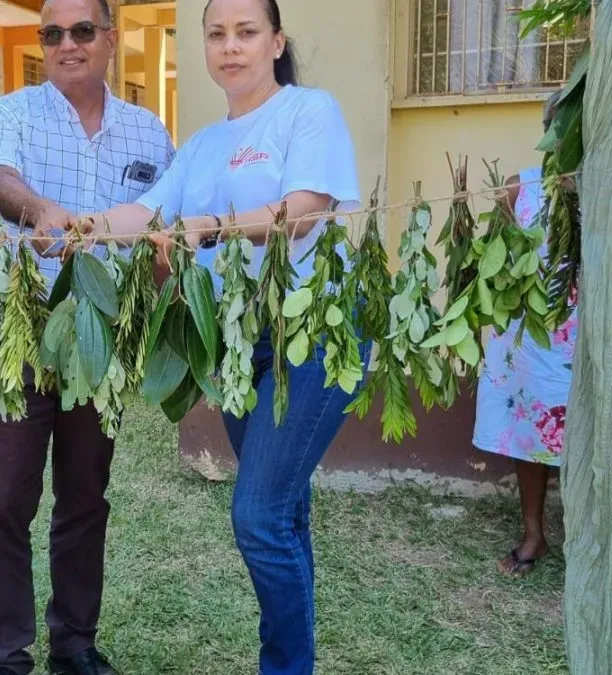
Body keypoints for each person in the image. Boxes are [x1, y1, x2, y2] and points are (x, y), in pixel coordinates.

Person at [91, 0, 365, 672]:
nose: (230, 47)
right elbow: (147, 212)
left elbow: (304, 211)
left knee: (259, 516)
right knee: (283, 513)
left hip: (312, 331)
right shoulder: (203, 145)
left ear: (276, 42)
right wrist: (79, 225)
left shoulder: (308, 111)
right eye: (216, 34)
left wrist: (211, 224)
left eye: (246, 33)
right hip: (243, 343)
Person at [0, 0, 174, 672]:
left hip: (103, 338)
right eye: (52, 33)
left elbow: (165, 217)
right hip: (23, 325)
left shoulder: (150, 132)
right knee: (6, 498)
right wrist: (37, 208)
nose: (67, 44)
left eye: (82, 31)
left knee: (86, 494)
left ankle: (75, 641)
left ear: (110, 39)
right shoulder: (12, 114)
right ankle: (3, 652)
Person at [473, 91, 576, 577]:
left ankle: (589, 539)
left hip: (588, 333)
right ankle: (535, 534)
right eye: (557, 123)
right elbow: (499, 264)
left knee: (591, 433)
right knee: (531, 431)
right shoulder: (522, 188)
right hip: (534, 334)